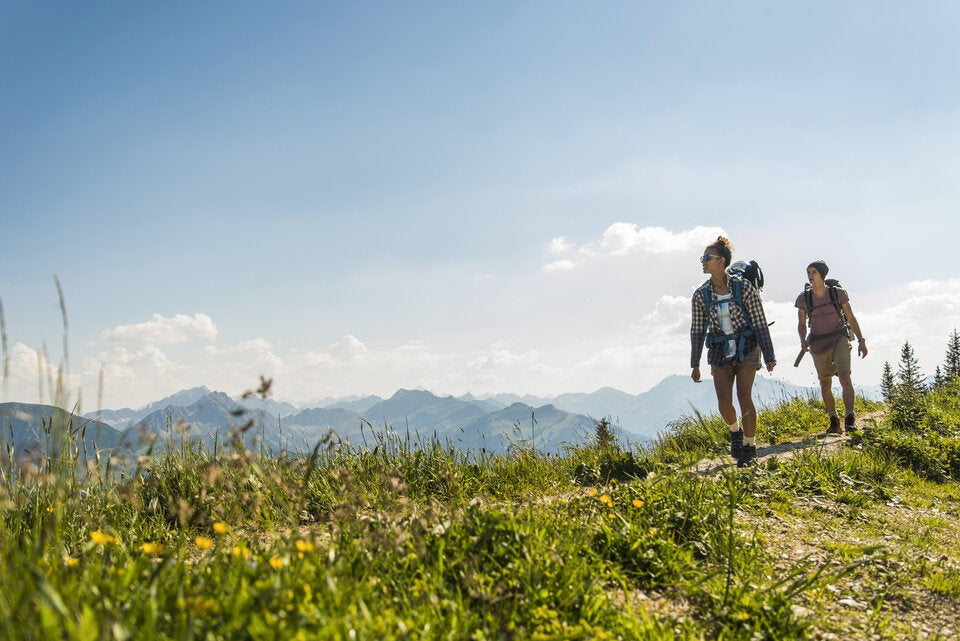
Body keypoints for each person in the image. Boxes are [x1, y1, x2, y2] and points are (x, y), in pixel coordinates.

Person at [690, 236, 776, 467]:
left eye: (707, 257)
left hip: (747, 345)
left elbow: (759, 322)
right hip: (719, 348)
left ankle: (749, 446)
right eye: (702, 257)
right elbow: (697, 330)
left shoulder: (744, 287)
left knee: (744, 396)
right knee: (723, 401)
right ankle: (735, 432)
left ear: (722, 261)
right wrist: (695, 364)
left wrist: (769, 355)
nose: (703, 261)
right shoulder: (701, 295)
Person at [795, 260, 867, 434]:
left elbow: (851, 317)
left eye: (814, 272)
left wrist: (861, 340)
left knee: (844, 376)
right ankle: (834, 420)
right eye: (808, 272)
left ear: (822, 274)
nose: (810, 276)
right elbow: (801, 324)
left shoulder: (837, 293)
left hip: (839, 338)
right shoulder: (803, 298)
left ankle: (849, 418)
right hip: (818, 342)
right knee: (825, 382)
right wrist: (802, 339)